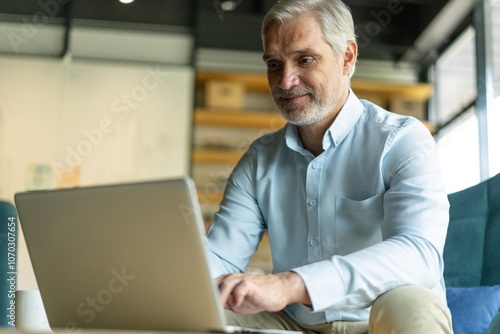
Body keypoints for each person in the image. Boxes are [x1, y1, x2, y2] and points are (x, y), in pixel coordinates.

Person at [206, 0, 453, 333]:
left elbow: (418, 254)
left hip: (377, 323)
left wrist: (292, 284)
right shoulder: (259, 160)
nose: (285, 81)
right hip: (294, 326)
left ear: (347, 58)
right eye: (274, 64)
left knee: (410, 303)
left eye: (305, 59)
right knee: (200, 309)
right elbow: (220, 256)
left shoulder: (402, 140)